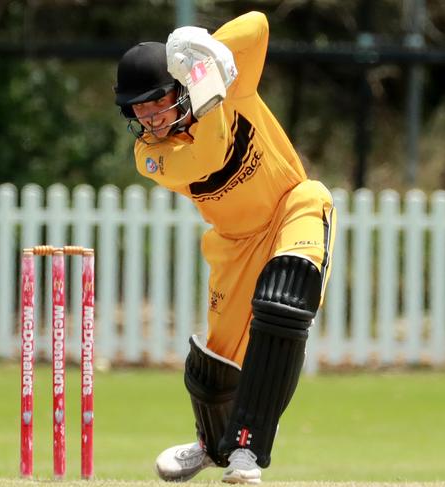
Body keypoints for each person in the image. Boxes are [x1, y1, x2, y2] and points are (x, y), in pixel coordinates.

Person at [114, 11, 336, 485]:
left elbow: (257, 24)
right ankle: (212, 446)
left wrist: (207, 47)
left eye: (155, 100)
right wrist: (206, 83)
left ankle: (247, 453)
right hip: (233, 244)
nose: (149, 116)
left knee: (282, 304)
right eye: (137, 109)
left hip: (291, 207)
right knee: (215, 368)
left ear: (177, 90)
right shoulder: (152, 156)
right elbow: (210, 154)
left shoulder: (228, 84)